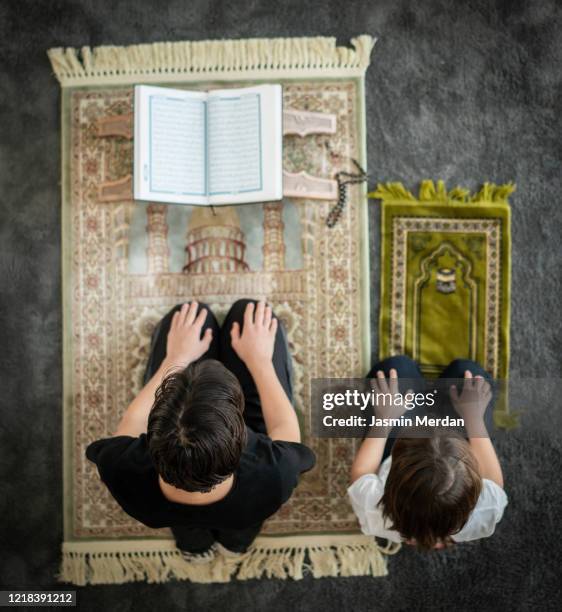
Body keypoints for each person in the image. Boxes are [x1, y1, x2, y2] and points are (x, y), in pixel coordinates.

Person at [86, 299, 315, 561]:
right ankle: (236, 543)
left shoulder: (122, 471)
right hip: (244, 511)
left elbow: (131, 424)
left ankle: (192, 544)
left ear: (152, 437)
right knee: (247, 311)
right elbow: (283, 427)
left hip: (163, 508)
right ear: (242, 438)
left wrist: (176, 359)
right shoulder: (274, 473)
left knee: (191, 314)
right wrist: (260, 362)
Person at [348, 355, 507, 550]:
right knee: (468, 373)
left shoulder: (374, 511)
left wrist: (384, 418)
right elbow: (494, 481)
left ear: (392, 486)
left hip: (402, 429)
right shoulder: (485, 512)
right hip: (459, 424)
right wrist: (474, 418)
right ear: (475, 491)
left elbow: (362, 471)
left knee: (396, 369)